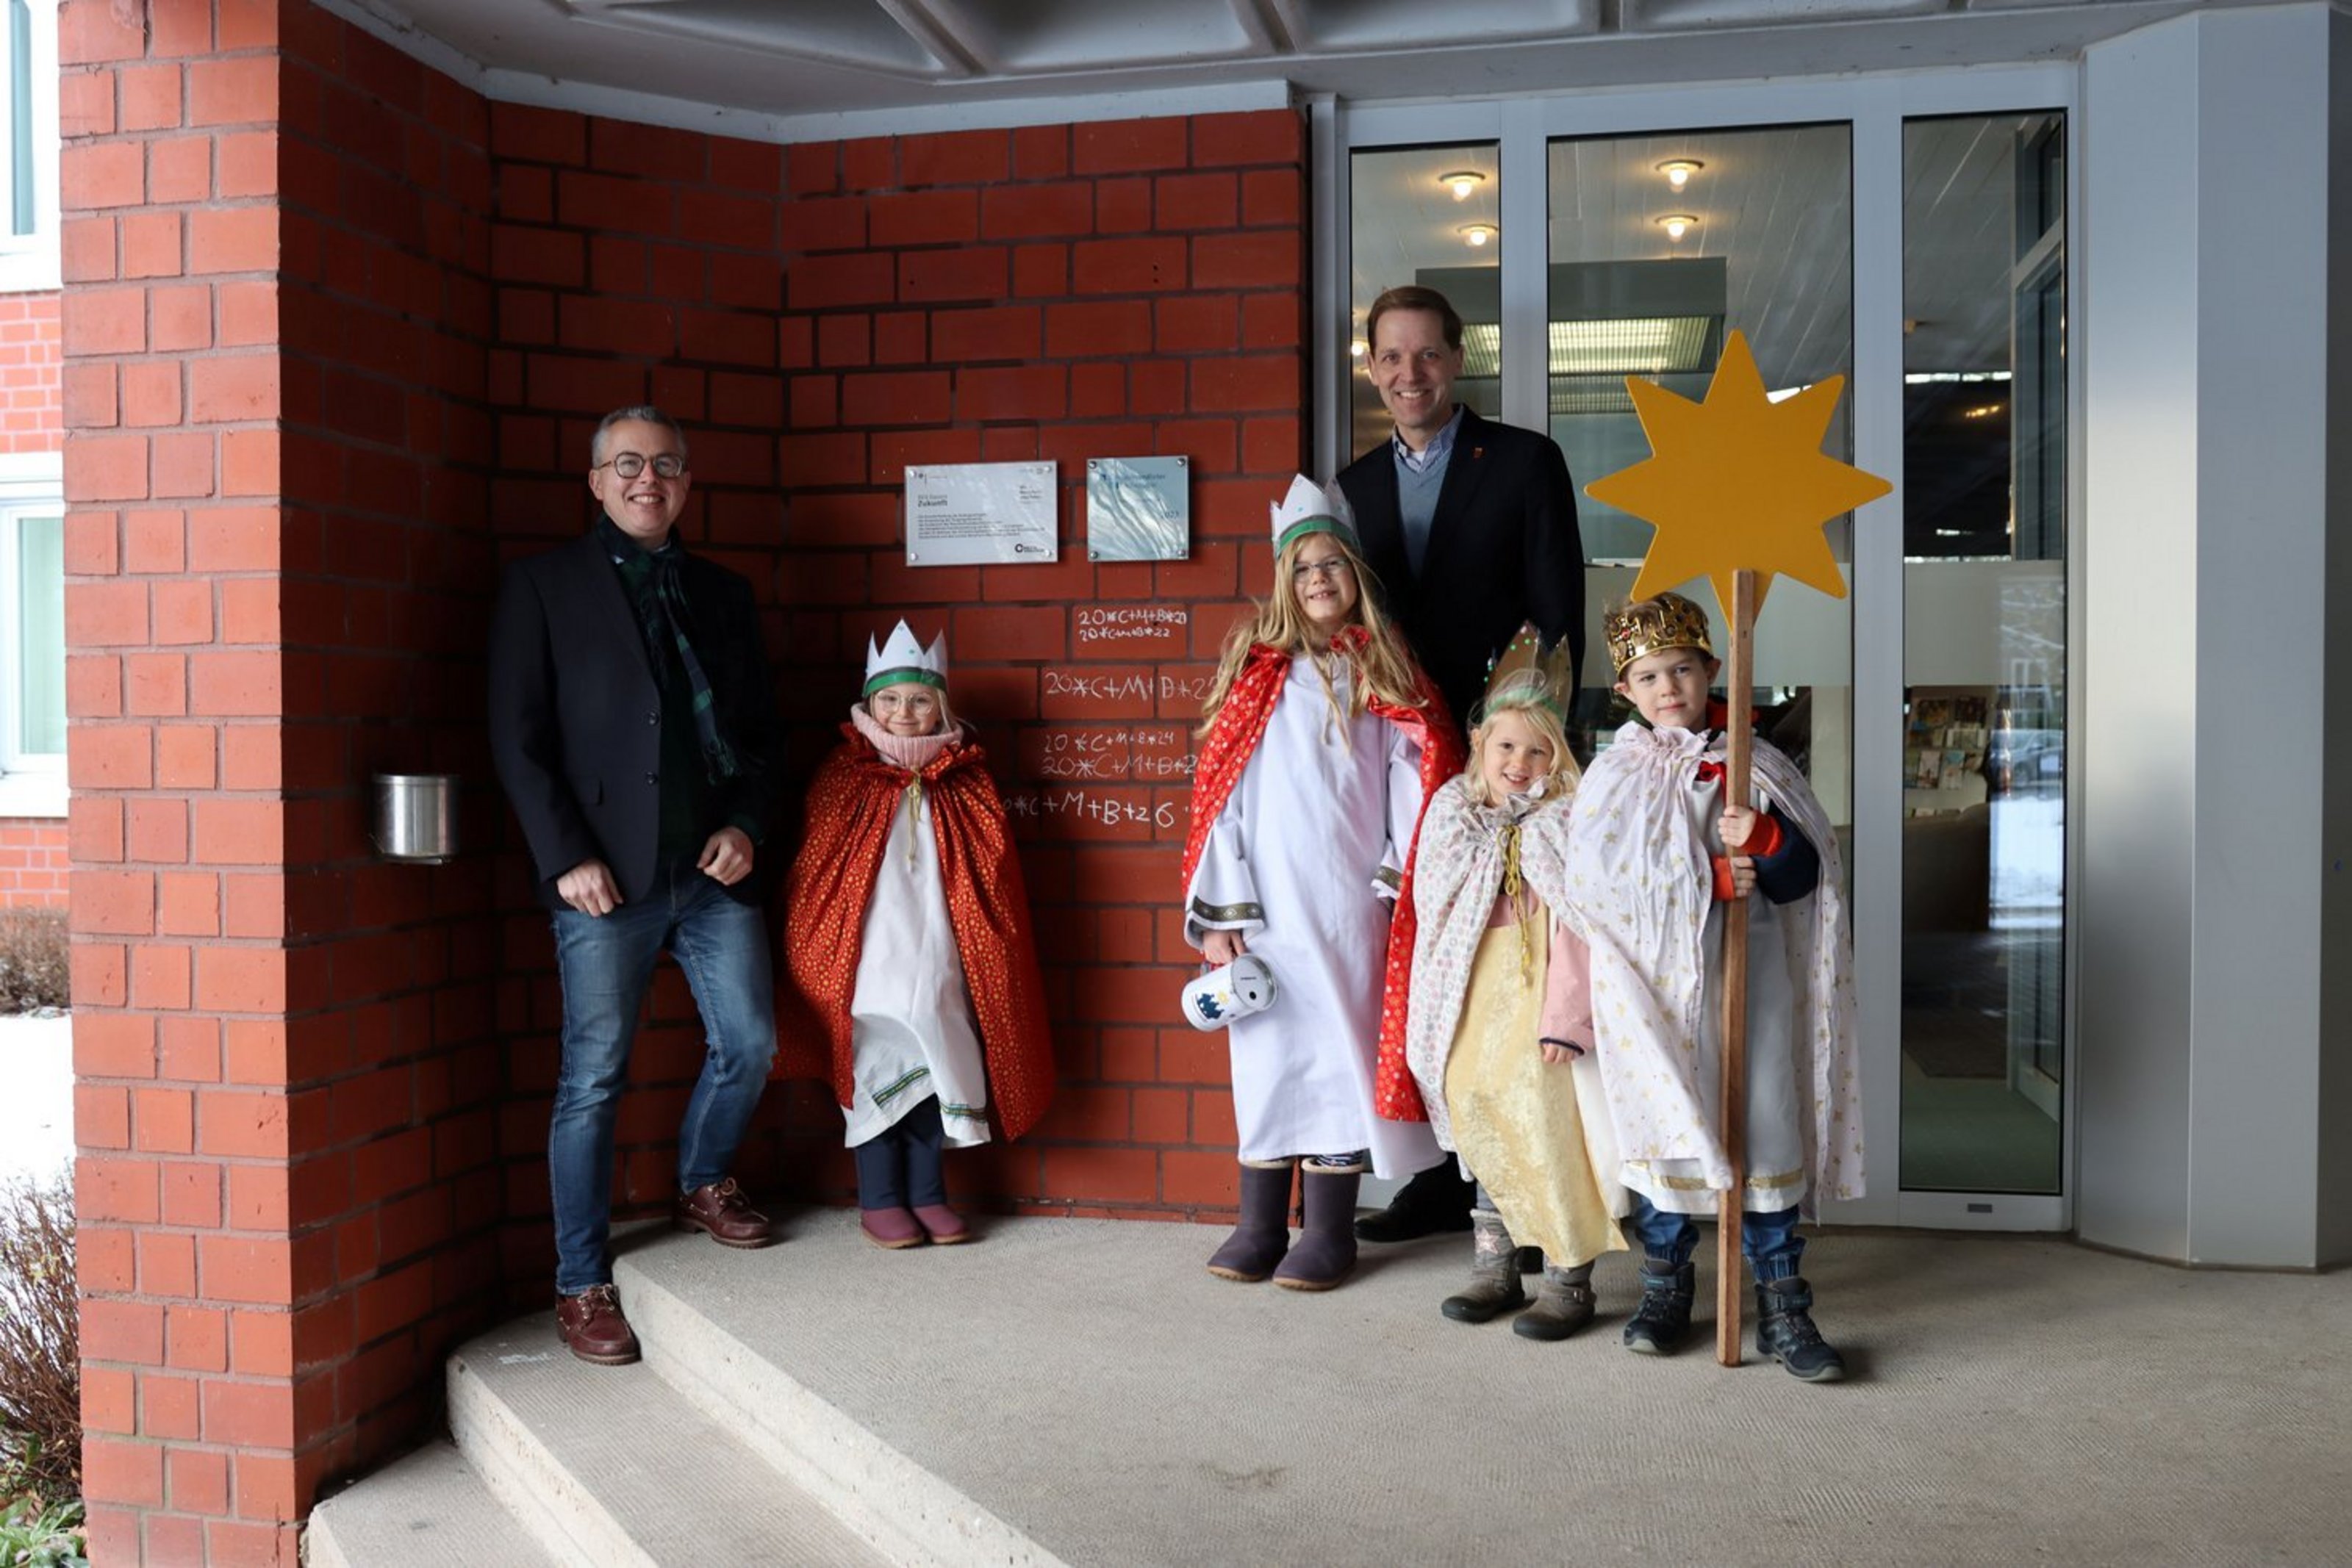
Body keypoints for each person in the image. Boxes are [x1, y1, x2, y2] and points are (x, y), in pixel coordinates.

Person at [488, 405, 783, 1368]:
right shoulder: (543, 587)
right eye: (626, 463)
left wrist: (745, 826)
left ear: (686, 482)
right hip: (602, 879)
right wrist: (563, 855)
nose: (645, 479)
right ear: (595, 481)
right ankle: (581, 1283)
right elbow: (518, 738)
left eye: (664, 464)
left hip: (709, 870)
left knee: (751, 1041)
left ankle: (703, 1177)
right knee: (592, 1080)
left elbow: (760, 737)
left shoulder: (724, 594)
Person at [1336, 283, 1588, 1245]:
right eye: (1391, 357)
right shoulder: (1354, 486)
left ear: (1457, 359)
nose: (1410, 373)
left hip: (1499, 759)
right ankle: (1441, 1177)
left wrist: (1526, 750)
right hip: (1402, 760)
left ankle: (1527, 1184)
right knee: (1427, 961)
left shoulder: (1524, 461)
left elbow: (1556, 614)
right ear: (1372, 369)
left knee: (1512, 971)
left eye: (1427, 354)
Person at [1566, 592, 1864, 1381]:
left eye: (1682, 670)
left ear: (1713, 670)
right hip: (1656, 999)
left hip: (1748, 985)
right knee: (1665, 1126)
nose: (1668, 688)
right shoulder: (1614, 775)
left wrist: (1765, 838)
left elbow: (1803, 881)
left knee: (1761, 1129)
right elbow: (1592, 888)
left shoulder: (1753, 765)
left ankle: (1783, 1305)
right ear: (1624, 691)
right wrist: (1707, 880)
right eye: (1648, 676)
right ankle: (1666, 1288)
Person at [1180, 475, 1461, 1292]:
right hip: (1264, 906)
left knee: (1341, 1053)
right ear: (1283, 581)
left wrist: (1396, 875)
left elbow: (1417, 776)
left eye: (1331, 563)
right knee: (1267, 1056)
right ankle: (1260, 1223)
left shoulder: (1382, 673)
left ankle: (1329, 1231)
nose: (1317, 579)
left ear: (1356, 574)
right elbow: (1221, 799)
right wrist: (1220, 916)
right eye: (1301, 567)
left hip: (1348, 905)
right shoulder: (1256, 676)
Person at [772, 622, 1055, 1248]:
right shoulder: (844, 776)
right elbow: (815, 874)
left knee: (936, 1059)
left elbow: (991, 875)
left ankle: (928, 1193)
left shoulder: (967, 779)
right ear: (870, 703)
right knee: (874, 1061)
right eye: (891, 700)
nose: (904, 713)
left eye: (920, 700)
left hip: (942, 956)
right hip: (865, 959)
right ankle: (879, 1198)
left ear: (942, 706)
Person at [1382, 635, 1626, 1340]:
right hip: (1469, 997)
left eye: (1538, 752)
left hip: (1541, 1002)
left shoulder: (1569, 821)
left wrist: (1569, 1020)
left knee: (1549, 1131)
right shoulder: (1452, 815)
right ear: (1480, 745)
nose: (1520, 764)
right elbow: (1433, 911)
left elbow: (1584, 927)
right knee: (1482, 1116)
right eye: (1507, 747)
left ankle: (1567, 1279)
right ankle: (1496, 1266)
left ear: (1559, 758)